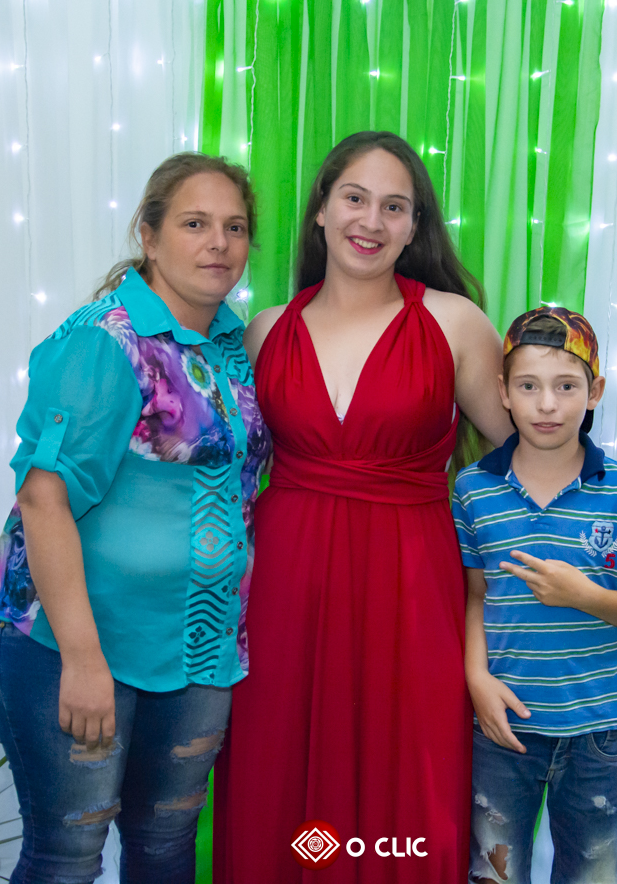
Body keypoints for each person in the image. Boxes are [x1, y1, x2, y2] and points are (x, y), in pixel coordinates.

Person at [214, 131, 515, 883]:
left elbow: (526, 460)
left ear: (415, 228)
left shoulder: (453, 323)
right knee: (278, 775)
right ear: (321, 209)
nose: (371, 221)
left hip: (412, 589)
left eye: (394, 207)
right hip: (285, 589)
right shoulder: (264, 331)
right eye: (355, 198)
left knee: (409, 783)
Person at [0, 153, 271, 884]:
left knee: (167, 847)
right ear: (149, 235)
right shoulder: (105, 340)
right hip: (75, 648)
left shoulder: (233, 346)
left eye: (235, 228)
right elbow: (43, 500)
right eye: (195, 224)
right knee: (68, 856)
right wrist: (83, 662)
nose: (219, 243)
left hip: (197, 650)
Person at [454, 306, 617, 884]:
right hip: (503, 725)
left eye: (566, 386)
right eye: (529, 386)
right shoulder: (474, 490)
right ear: (503, 392)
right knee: (494, 873)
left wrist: (583, 594)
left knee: (591, 874)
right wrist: (476, 678)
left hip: (597, 732)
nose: (547, 404)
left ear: (594, 391)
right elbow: (475, 596)